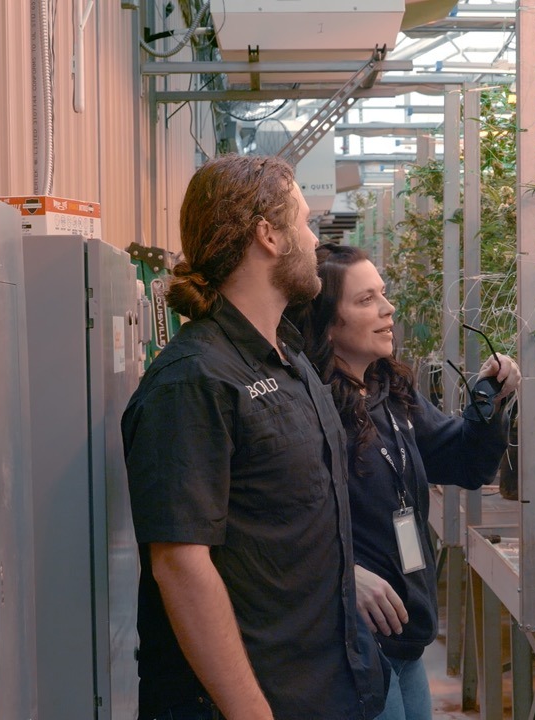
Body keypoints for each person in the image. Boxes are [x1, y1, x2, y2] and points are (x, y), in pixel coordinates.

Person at [122, 156, 387, 720]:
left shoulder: (291, 362)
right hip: (255, 700)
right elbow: (182, 566)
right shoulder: (193, 380)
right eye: (305, 222)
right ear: (268, 235)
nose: (315, 240)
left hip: (327, 685)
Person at [286, 244, 519, 720]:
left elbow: (464, 464)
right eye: (366, 299)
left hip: (405, 630)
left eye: (384, 294)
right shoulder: (308, 409)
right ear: (328, 323)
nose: (388, 308)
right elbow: (282, 522)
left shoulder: (388, 390)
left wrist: (486, 407)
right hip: (355, 639)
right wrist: (344, 574)